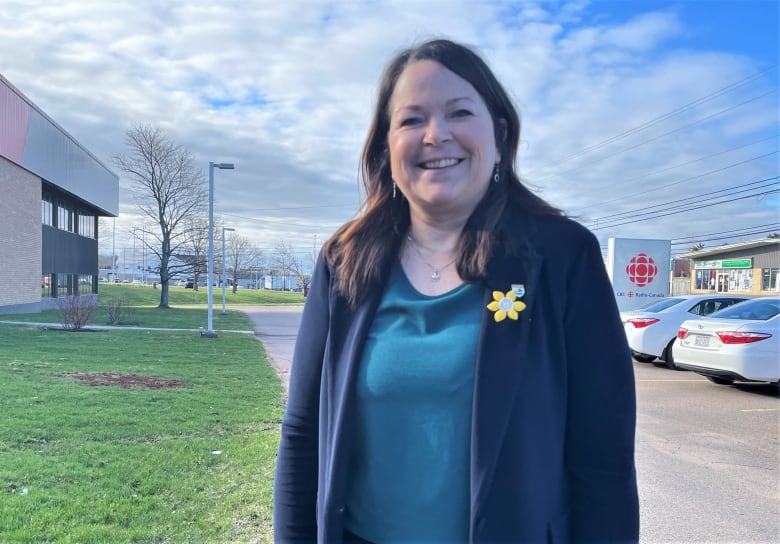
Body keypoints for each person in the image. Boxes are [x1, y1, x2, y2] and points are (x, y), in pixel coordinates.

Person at [274, 38, 639, 543]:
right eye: (411, 119)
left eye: (459, 112)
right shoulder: (344, 263)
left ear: (499, 135)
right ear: (385, 144)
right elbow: (301, 435)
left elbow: (603, 459)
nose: (435, 135)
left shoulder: (562, 257)